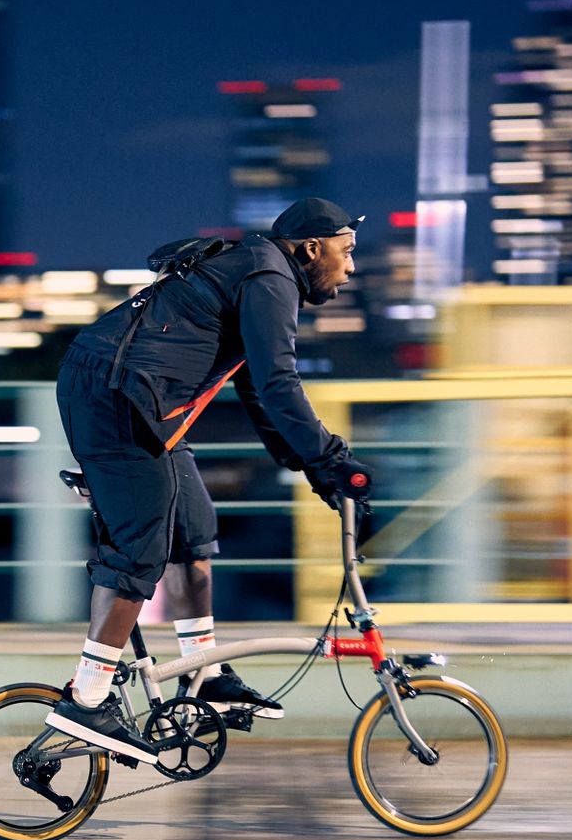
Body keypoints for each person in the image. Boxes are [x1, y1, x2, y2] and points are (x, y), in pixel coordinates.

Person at [46, 196, 374, 764]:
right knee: (140, 549)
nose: (351, 268)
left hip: (136, 400)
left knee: (194, 532)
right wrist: (333, 457)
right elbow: (279, 383)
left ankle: (202, 677)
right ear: (312, 248)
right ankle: (88, 697)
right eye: (346, 254)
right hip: (114, 397)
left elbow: (258, 394)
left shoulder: (261, 271)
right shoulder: (271, 276)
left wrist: (317, 470)